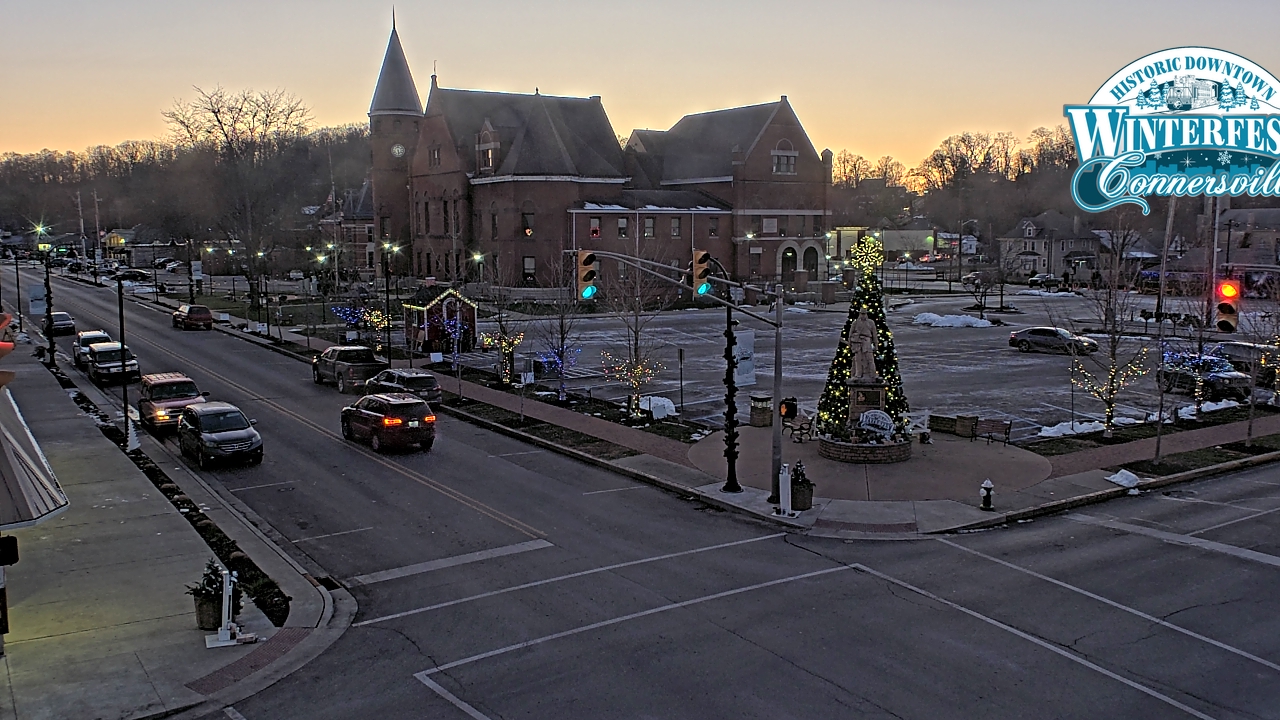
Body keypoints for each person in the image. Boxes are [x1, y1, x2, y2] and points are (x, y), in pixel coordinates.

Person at [850, 310, 879, 379]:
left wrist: (876, 345)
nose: (863, 315)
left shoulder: (871, 322)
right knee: (858, 359)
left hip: (867, 341)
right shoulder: (855, 323)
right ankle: (858, 374)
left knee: (870, 358)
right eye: (862, 314)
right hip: (857, 342)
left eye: (864, 314)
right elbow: (850, 334)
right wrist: (850, 343)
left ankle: (873, 374)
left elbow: (874, 334)